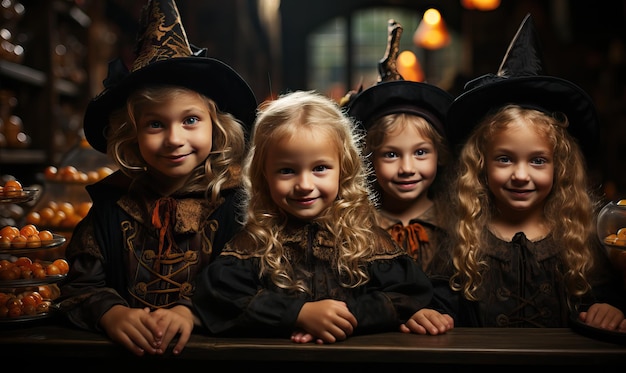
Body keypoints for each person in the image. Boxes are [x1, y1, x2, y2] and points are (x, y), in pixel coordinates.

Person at [56, 0, 257, 357]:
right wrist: (111, 313)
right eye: (155, 124)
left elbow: (252, 282)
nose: (174, 138)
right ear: (131, 134)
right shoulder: (112, 204)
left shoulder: (234, 203)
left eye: (190, 120)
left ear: (217, 127)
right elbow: (79, 284)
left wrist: (192, 311)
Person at [192, 90, 453, 344]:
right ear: (264, 176)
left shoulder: (364, 238)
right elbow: (217, 297)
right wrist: (298, 314)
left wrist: (343, 317)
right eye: (286, 170)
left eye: (320, 168)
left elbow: (409, 294)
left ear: (343, 169)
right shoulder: (255, 241)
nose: (304, 184)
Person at [429, 14, 626, 331]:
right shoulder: (463, 241)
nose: (521, 175)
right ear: (481, 164)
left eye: (537, 161)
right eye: (505, 160)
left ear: (559, 167)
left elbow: (608, 299)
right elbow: (439, 306)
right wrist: (430, 315)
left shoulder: (579, 241)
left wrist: (610, 309)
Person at [346, 19, 454, 272]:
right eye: (391, 154)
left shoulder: (457, 222)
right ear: (368, 160)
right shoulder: (357, 225)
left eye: (420, 152)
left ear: (439, 154)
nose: (407, 167)